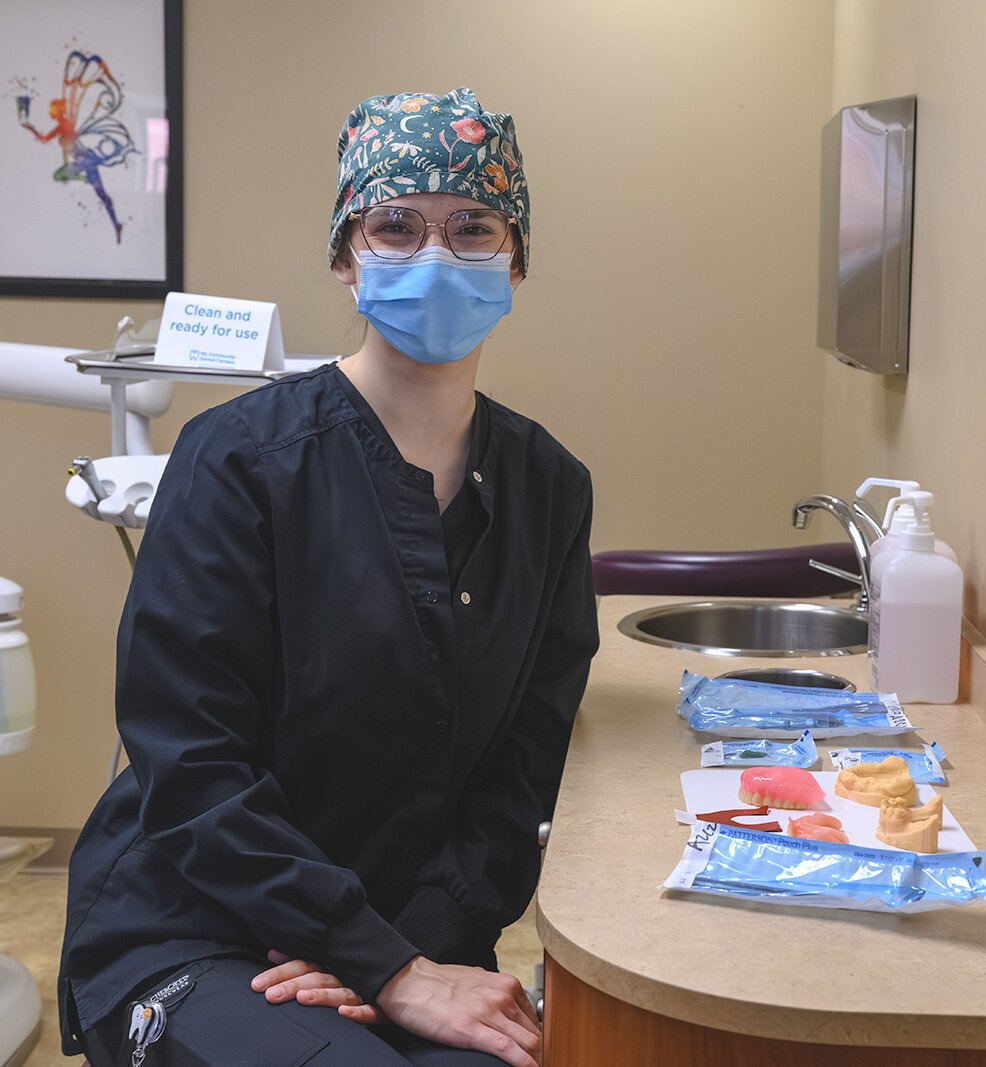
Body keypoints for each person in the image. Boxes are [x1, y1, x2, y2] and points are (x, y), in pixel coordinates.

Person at [57, 87, 599, 1067]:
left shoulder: (548, 489)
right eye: (396, 224)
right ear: (346, 258)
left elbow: (522, 771)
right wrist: (376, 960)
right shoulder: (237, 462)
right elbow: (192, 765)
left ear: (515, 259)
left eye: (472, 226)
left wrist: (407, 950)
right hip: (198, 921)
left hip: (416, 928)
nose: (435, 254)